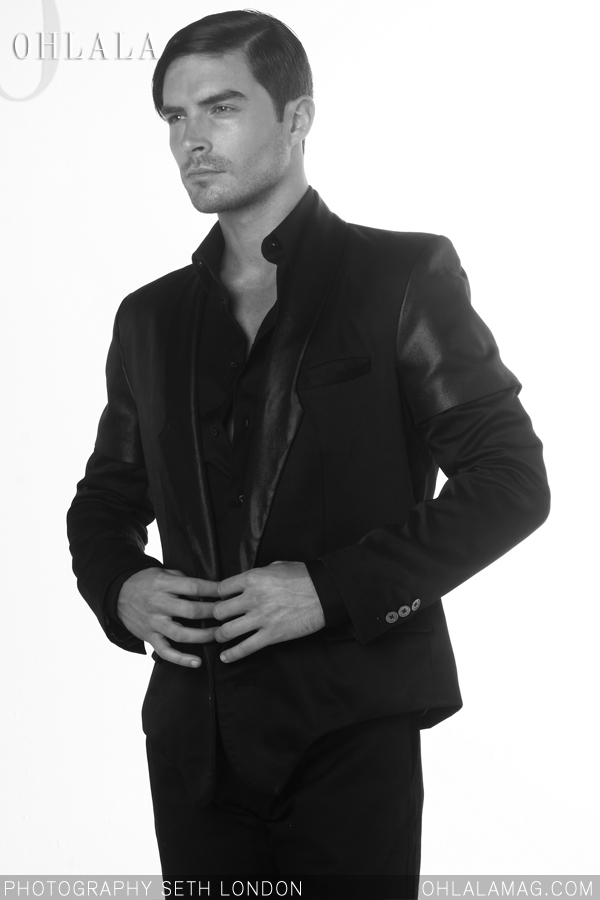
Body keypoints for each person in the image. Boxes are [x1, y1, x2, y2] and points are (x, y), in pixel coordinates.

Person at [67, 10, 550, 899]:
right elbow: (106, 497)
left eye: (221, 108)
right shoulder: (149, 317)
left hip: (349, 733)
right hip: (194, 747)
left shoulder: (400, 277)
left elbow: (511, 481)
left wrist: (331, 589)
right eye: (175, 117)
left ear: (297, 118)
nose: (191, 141)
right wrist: (119, 585)